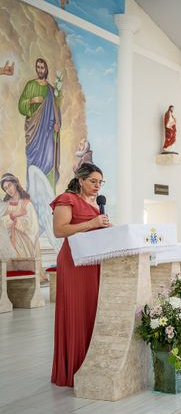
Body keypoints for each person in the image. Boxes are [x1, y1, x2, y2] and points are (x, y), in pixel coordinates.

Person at [50, 163, 111, 387]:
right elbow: (60, 230)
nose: (97, 186)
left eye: (100, 182)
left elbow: (93, 229)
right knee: (76, 311)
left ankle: (89, 365)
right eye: (93, 181)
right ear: (81, 180)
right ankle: (71, 369)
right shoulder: (67, 199)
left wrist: (106, 228)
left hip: (93, 262)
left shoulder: (95, 205)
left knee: (91, 311)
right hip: (74, 263)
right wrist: (92, 223)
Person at [18, 58, 62, 188]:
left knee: (49, 160)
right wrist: (31, 100)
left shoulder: (51, 90)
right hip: (34, 132)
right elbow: (21, 105)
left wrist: (57, 124)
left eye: (42, 67)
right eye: (38, 67)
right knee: (33, 163)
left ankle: (47, 191)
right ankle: (33, 191)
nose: (40, 70)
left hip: (48, 133)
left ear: (46, 69)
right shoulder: (30, 85)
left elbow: (56, 111)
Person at [0, 173, 39, 259]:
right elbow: (2, 224)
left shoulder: (27, 204)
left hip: (25, 246)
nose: (8, 190)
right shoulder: (6, 205)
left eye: (9, 185)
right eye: (5, 188)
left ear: (15, 183)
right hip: (9, 245)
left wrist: (17, 222)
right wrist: (13, 215)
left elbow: (34, 227)